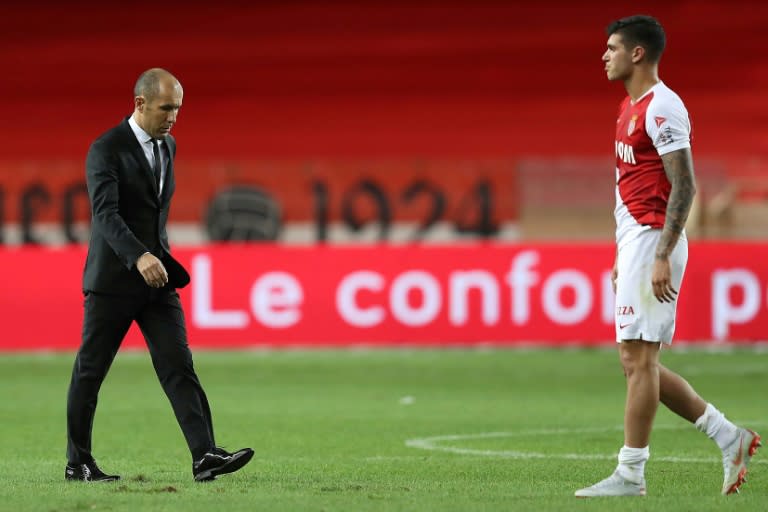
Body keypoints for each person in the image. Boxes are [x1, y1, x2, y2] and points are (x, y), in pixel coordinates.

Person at [574, 15, 761, 497]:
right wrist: (623, 250)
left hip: (655, 239)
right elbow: (630, 185)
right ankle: (729, 437)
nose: (604, 54)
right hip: (636, 239)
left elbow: (686, 184)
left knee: (638, 362)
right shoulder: (626, 107)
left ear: (637, 53)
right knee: (638, 362)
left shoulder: (663, 108)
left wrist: (660, 254)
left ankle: (631, 473)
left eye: (612, 47)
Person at [65, 68, 254, 483]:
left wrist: (158, 259)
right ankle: (78, 462)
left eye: (178, 109)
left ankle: (204, 456)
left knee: (178, 365)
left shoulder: (168, 146)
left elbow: (154, 214)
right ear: (140, 104)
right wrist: (139, 256)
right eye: (166, 108)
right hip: (114, 281)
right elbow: (106, 215)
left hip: (158, 280)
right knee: (91, 371)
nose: (173, 117)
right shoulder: (106, 149)